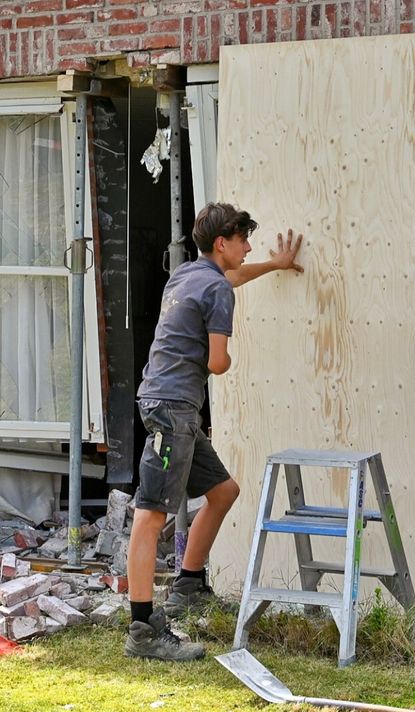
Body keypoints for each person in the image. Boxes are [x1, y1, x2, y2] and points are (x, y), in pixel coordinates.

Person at [123, 202, 304, 661]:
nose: (248, 247)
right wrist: (219, 350)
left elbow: (232, 277)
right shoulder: (218, 291)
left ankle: (188, 584)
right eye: (243, 240)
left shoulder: (187, 274)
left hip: (165, 401)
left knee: (223, 491)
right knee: (150, 513)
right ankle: (142, 627)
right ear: (222, 243)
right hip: (174, 408)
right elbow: (218, 363)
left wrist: (276, 265)